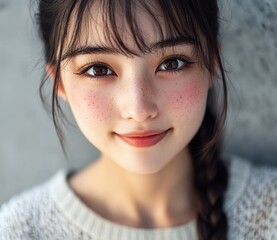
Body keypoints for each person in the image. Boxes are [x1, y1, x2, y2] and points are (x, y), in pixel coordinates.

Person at [0, 0, 276, 239]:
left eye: (172, 63)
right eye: (98, 69)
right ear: (59, 82)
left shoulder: (270, 213)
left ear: (211, 63)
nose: (139, 108)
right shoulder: (21, 231)